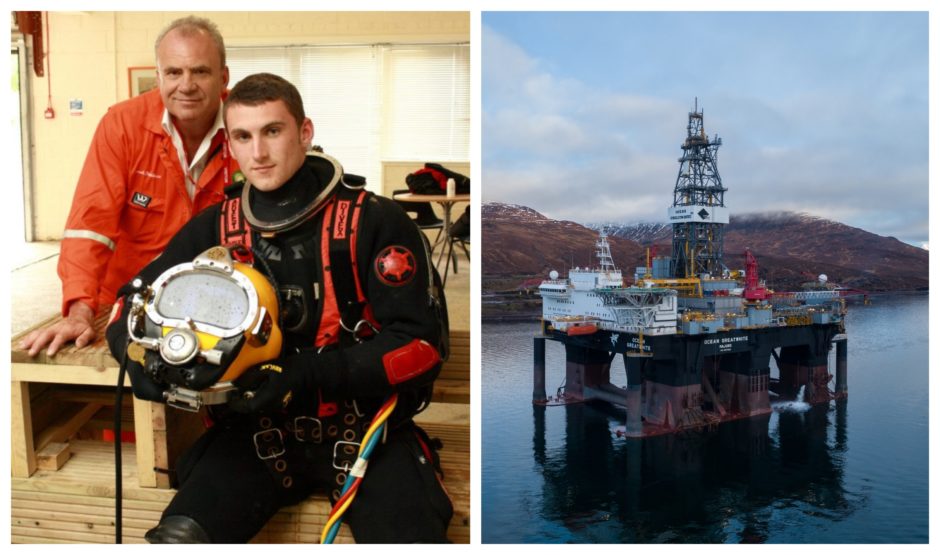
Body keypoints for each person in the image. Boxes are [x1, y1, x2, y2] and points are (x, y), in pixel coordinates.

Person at [106, 73, 453, 543]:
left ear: (305, 132)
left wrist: (305, 374)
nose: (259, 153)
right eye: (244, 137)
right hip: (255, 436)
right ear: (231, 143)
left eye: (273, 131)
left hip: (367, 433)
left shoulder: (373, 221)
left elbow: (421, 347)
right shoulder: (215, 229)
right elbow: (131, 303)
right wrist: (137, 356)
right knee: (177, 540)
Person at [21, 16, 238, 357]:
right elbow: (89, 226)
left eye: (200, 71)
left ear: (223, 77)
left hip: (215, 303)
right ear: (159, 75)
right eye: (173, 72)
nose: (186, 85)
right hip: (127, 298)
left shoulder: (245, 129)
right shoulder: (123, 125)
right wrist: (80, 308)